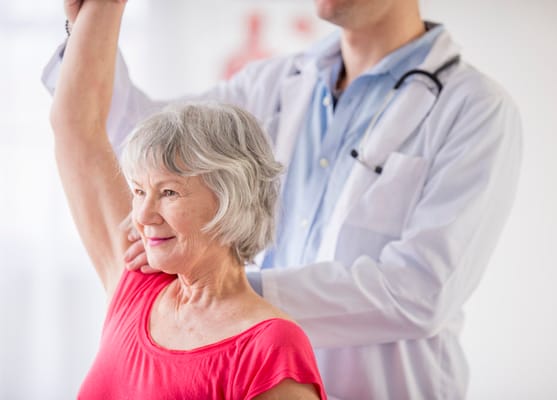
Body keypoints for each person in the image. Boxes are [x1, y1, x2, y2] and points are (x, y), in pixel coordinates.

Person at [43, 0, 522, 398]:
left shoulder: (473, 108)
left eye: (163, 196)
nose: (147, 212)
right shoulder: (274, 82)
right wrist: (92, 18)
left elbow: (420, 291)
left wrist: (230, 298)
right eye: (149, 196)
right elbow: (140, 141)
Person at [48, 1, 327, 399]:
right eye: (140, 191)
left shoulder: (270, 348)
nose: (142, 216)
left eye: (168, 193)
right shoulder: (136, 284)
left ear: (230, 199)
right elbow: (75, 125)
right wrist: (101, 9)